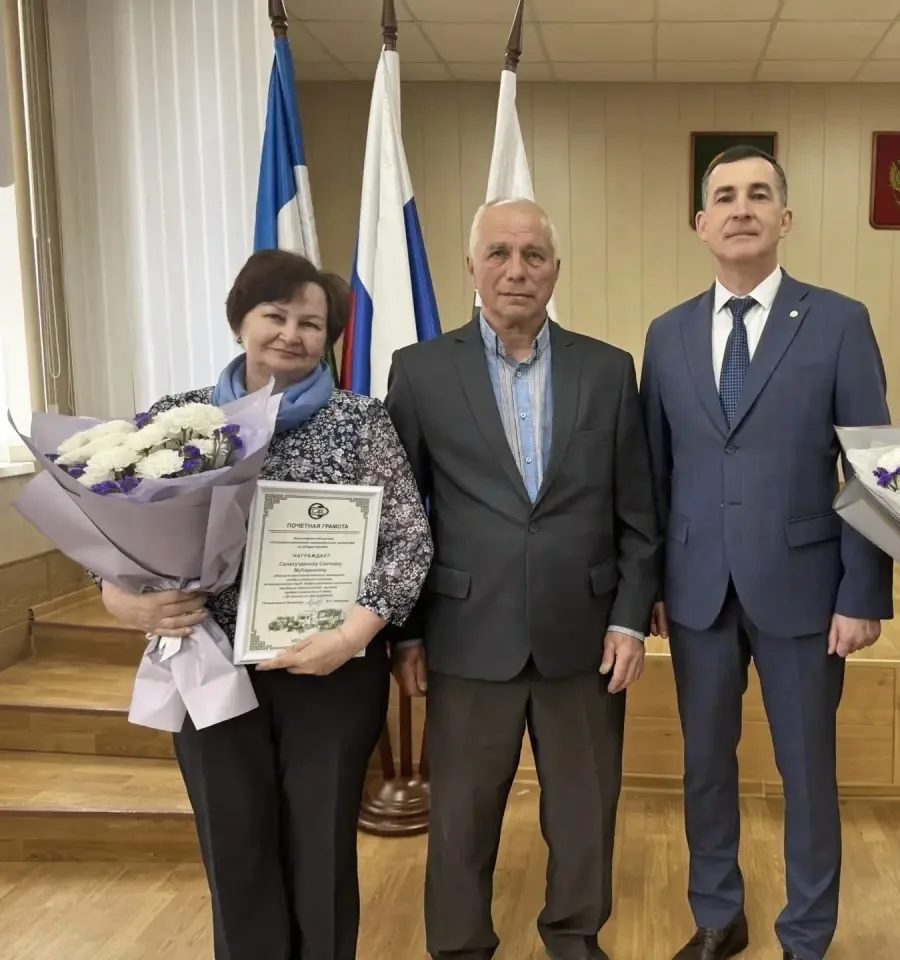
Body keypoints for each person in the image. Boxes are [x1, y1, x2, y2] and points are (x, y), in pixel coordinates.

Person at [98, 249, 432, 960]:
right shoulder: (175, 423)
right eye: (274, 315)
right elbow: (111, 542)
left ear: (329, 338)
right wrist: (128, 605)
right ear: (240, 322)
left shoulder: (361, 422)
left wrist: (351, 636)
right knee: (235, 848)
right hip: (208, 666)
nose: (291, 333)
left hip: (332, 673)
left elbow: (409, 541)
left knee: (322, 852)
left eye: (311, 323)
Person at [384, 198, 660, 960]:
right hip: (467, 635)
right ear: (471, 268)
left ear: (555, 271)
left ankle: (574, 938)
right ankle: (459, 946)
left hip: (586, 637)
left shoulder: (609, 370)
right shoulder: (420, 372)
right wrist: (406, 633)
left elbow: (639, 513)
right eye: (499, 254)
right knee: (462, 818)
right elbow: (399, 516)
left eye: (533, 255)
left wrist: (630, 618)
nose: (516, 270)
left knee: (584, 813)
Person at [640, 145, 893, 960]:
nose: (740, 208)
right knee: (706, 766)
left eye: (758, 195)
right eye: (724, 196)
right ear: (700, 223)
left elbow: (870, 466)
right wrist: (649, 588)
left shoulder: (839, 321)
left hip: (807, 591)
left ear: (784, 218)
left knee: (807, 772)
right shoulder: (667, 334)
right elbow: (654, 474)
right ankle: (718, 916)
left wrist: (863, 591)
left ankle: (806, 935)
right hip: (697, 590)